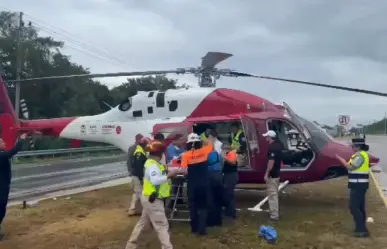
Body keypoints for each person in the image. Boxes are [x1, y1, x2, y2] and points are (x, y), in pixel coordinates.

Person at [125, 140, 179, 249]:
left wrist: (166, 174)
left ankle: (131, 245)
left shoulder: (151, 163)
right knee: (162, 225)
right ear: (160, 153)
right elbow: (155, 180)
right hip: (153, 199)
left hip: (149, 198)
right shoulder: (153, 166)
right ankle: (167, 247)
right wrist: (169, 175)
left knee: (142, 223)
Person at [336, 138, 370, 238]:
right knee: (359, 207)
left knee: (353, 207)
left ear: (358, 146)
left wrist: (340, 159)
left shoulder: (360, 156)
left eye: (353, 146)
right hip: (359, 184)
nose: (352, 147)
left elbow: (350, 167)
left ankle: (361, 230)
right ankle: (361, 228)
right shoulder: (359, 155)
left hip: (358, 184)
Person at [181, 133, 212, 236]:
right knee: (203, 207)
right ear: (199, 143)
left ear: (188, 144)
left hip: (192, 185)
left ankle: (194, 229)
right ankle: (202, 229)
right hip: (203, 183)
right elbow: (210, 142)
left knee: (193, 207)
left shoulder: (185, 155)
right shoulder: (205, 151)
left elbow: (184, 171)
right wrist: (202, 140)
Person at [0, 133, 27, 239]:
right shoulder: (1, 156)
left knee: (2, 208)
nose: (4, 142)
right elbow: (12, 152)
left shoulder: (2, 154)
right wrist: (21, 140)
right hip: (1, 187)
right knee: (1, 208)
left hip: (3, 186)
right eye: (1, 142)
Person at [262, 130, 284, 221]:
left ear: (270, 137)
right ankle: (274, 213)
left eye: (267, 137)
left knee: (272, 195)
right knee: (274, 193)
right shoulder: (279, 145)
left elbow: (271, 162)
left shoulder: (272, 148)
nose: (266, 138)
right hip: (277, 173)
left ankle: (274, 215)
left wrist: (266, 173)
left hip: (272, 174)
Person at [127, 137, 150, 216]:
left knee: (137, 193)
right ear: (144, 144)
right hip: (137, 176)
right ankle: (146, 210)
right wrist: (141, 178)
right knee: (140, 194)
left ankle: (133, 209)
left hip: (136, 175)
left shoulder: (140, 151)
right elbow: (138, 167)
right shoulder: (139, 153)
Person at [205, 130, 223, 227]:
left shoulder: (207, 154)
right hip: (218, 176)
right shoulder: (216, 154)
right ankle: (218, 220)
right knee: (217, 198)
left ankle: (211, 221)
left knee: (210, 198)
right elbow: (221, 164)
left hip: (210, 177)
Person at [166, 134, 187, 209]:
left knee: (180, 185)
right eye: (180, 140)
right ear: (175, 140)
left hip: (180, 169)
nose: (182, 141)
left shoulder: (181, 147)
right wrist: (181, 155)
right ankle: (172, 202)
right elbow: (174, 159)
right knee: (175, 186)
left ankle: (179, 200)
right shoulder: (170, 148)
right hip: (173, 170)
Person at [221, 143, 239, 220]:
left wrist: (224, 157)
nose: (222, 151)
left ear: (227, 149)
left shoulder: (232, 153)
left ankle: (232, 213)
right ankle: (228, 211)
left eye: (223, 149)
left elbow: (233, 162)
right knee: (227, 193)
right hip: (227, 175)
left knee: (229, 194)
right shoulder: (229, 154)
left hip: (231, 176)